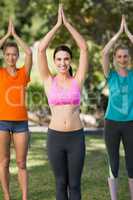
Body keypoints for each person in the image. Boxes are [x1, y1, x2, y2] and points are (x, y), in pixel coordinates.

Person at [38, 4, 88, 200]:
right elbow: (41, 49)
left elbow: (83, 48)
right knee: (60, 184)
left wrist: (67, 23)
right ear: (54, 61)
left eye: (66, 59)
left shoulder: (78, 80)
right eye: (58, 59)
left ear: (70, 61)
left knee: (74, 185)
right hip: (55, 138)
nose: (62, 63)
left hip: (76, 137)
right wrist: (57, 25)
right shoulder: (48, 80)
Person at [0, 18, 32, 200]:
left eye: (14, 54)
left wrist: (15, 35)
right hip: (1, 121)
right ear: (4, 56)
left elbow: (29, 52)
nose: (11, 57)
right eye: (8, 54)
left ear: (17, 56)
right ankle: (6, 195)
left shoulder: (23, 73)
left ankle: (25, 196)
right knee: (3, 162)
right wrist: (6, 36)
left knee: (21, 162)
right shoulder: (0, 73)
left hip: (21, 122)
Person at [102, 15, 133, 200]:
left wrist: (128, 33)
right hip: (112, 123)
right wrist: (118, 34)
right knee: (113, 163)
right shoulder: (110, 75)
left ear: (129, 58)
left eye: (125, 56)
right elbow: (104, 53)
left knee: (132, 164)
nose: (122, 59)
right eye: (119, 56)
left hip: (130, 123)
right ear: (115, 58)